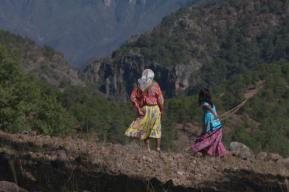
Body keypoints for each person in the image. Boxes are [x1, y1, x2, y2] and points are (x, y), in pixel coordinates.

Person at [125, 69, 164, 152]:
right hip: (155, 109)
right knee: (157, 128)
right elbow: (160, 99)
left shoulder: (140, 85)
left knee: (145, 128)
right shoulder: (155, 85)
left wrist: (138, 108)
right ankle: (158, 148)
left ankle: (147, 148)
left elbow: (132, 97)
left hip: (144, 108)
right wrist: (162, 110)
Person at [192, 88, 227, 157]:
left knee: (204, 140)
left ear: (201, 97)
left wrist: (204, 132)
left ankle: (195, 150)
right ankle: (221, 155)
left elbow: (207, 123)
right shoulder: (212, 104)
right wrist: (214, 114)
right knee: (217, 142)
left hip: (213, 129)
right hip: (218, 128)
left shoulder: (206, 110)